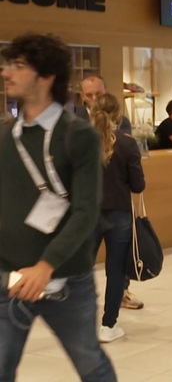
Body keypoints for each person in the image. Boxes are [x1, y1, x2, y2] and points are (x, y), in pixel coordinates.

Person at [0, 33, 117, 380]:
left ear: (47, 76)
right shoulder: (6, 137)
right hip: (9, 281)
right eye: (8, 64)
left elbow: (85, 211)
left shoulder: (77, 134)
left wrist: (46, 266)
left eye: (19, 66)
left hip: (66, 281)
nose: (7, 73)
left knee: (89, 363)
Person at [74, 75, 142, 310]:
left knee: (117, 261)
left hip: (112, 206)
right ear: (81, 96)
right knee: (83, 259)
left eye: (97, 94)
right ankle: (82, 305)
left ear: (107, 92)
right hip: (88, 208)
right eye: (89, 95)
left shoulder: (123, 124)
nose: (93, 99)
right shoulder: (73, 120)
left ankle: (121, 294)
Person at [90, 94, 145, 343]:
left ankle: (76, 323)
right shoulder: (127, 144)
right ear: (118, 115)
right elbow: (137, 185)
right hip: (119, 214)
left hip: (87, 215)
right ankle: (108, 325)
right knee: (115, 271)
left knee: (80, 270)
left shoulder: (78, 142)